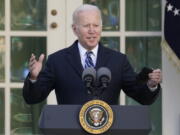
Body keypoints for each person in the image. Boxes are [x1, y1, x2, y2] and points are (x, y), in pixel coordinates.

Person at [23, 4, 162, 105]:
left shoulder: (118, 60)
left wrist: (151, 85)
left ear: (101, 28)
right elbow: (33, 98)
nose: (92, 31)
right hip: (69, 130)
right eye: (86, 25)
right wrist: (34, 78)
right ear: (75, 29)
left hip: (108, 130)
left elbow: (140, 95)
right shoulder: (57, 61)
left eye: (96, 26)